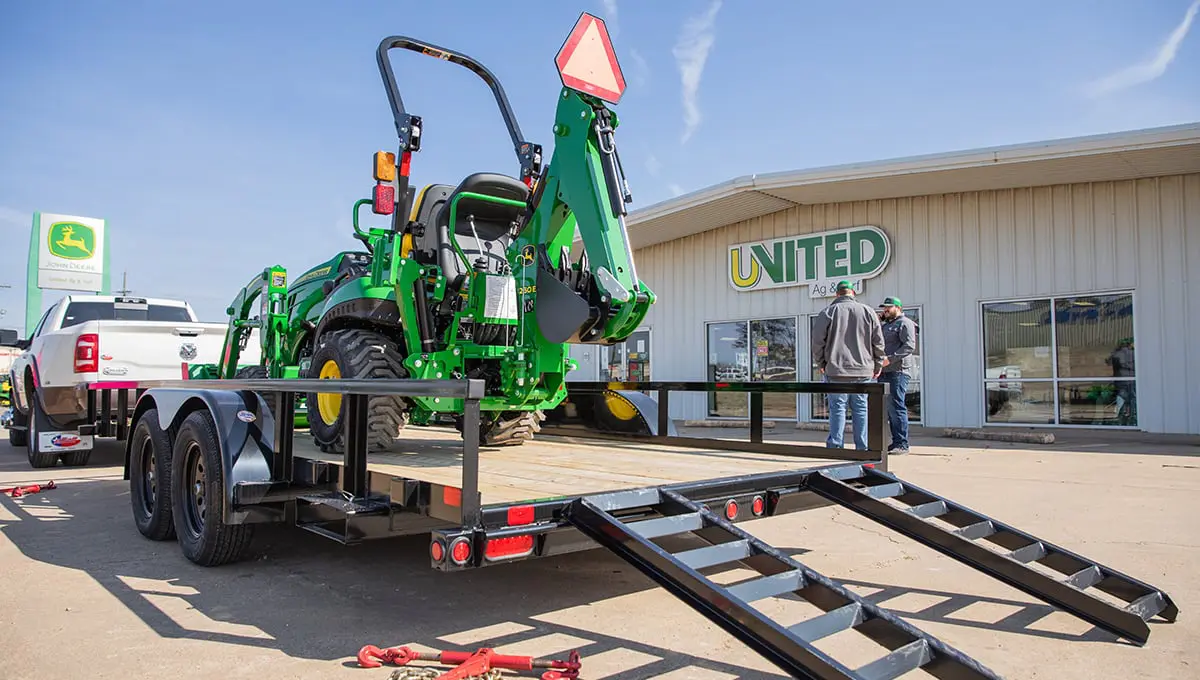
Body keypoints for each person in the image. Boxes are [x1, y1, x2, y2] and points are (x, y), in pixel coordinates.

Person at [811, 280, 886, 450]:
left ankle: (836, 447)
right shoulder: (868, 312)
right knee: (861, 409)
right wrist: (878, 364)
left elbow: (817, 342)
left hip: (836, 370)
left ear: (837, 294)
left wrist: (821, 362)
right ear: (853, 293)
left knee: (837, 409)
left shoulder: (828, 312)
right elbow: (878, 342)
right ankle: (863, 448)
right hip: (863, 370)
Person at [877, 296, 917, 454]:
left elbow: (909, 346)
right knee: (888, 408)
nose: (885, 310)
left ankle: (902, 444)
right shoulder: (886, 325)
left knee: (896, 406)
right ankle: (895, 442)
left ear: (898, 308)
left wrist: (890, 359)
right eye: (884, 308)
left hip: (898, 371)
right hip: (884, 371)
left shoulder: (904, 323)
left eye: (889, 307)